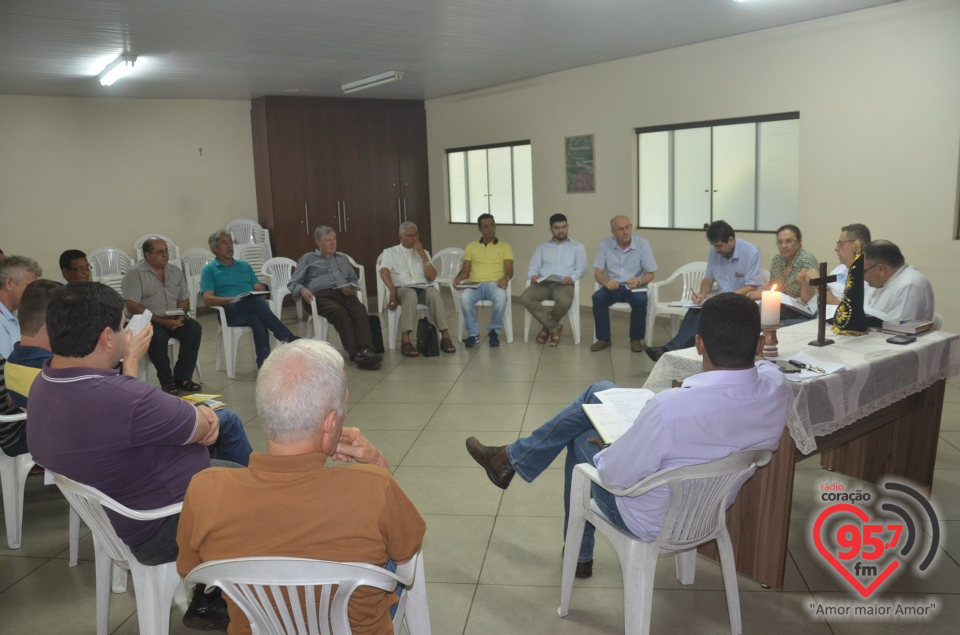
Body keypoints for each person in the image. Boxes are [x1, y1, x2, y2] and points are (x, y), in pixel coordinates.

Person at [466, 293, 792, 578]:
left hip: (649, 518)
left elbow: (613, 474)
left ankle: (577, 551)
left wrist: (618, 443)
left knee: (580, 440)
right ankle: (511, 458)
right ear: (760, 343)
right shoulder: (778, 391)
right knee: (599, 391)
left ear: (699, 343)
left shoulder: (669, 409)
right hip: (708, 509)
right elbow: (763, 369)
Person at [25, 282, 255, 630]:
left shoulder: (45, 382)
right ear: (106, 337)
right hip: (162, 523)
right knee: (258, 485)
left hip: (119, 511)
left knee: (232, 463)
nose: (125, 333)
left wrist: (128, 363)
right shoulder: (124, 399)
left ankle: (211, 590)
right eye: (121, 326)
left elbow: (122, 412)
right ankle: (230, 586)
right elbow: (202, 425)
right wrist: (132, 364)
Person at [177, 339, 426, 635]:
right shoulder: (373, 487)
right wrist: (376, 462)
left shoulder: (204, 490)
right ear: (331, 423)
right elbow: (406, 551)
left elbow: (189, 570)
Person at [646, 220, 761, 362]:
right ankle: (674, 350)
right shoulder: (714, 250)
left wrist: (725, 297)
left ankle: (669, 351)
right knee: (694, 310)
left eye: (719, 246)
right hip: (720, 300)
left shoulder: (751, 252)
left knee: (706, 312)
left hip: (740, 301)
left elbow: (752, 287)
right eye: (714, 246)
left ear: (730, 240)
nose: (717, 250)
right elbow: (708, 279)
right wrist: (701, 295)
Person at [200, 230, 298, 369]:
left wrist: (259, 294)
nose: (229, 246)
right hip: (229, 312)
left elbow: (258, 288)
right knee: (255, 302)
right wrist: (234, 299)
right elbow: (208, 299)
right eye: (224, 243)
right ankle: (287, 337)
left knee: (256, 317)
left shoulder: (244, 265)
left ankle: (264, 365)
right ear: (214, 248)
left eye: (230, 242)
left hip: (251, 307)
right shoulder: (209, 270)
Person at [289, 226, 382, 369]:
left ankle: (365, 349)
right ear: (318, 242)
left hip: (343, 293)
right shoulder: (308, 259)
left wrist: (350, 288)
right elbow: (293, 283)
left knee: (359, 309)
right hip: (319, 296)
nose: (333, 243)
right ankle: (355, 354)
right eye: (328, 241)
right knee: (340, 312)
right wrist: (303, 289)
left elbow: (353, 279)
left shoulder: (343, 258)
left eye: (334, 239)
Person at [122, 237, 203, 395]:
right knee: (157, 336)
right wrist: (161, 321)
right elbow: (132, 306)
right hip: (149, 320)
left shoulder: (175, 271)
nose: (165, 255)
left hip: (173, 318)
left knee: (194, 329)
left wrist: (180, 315)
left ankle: (182, 377)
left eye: (166, 251)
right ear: (147, 255)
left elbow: (184, 300)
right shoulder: (135, 274)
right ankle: (167, 381)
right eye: (160, 252)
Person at [379, 222, 456, 356]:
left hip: (422, 287)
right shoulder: (390, 252)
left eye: (416, 235)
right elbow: (383, 271)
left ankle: (445, 336)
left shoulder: (424, 252)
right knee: (410, 294)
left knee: (433, 293)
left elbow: (432, 277)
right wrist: (392, 290)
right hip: (401, 289)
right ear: (400, 237)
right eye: (410, 236)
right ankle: (405, 340)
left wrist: (423, 255)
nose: (414, 239)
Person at [590, 215, 657, 352]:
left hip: (634, 287)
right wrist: (606, 282)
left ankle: (636, 339)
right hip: (613, 287)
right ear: (613, 232)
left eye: (628, 227)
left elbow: (650, 274)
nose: (625, 232)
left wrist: (639, 281)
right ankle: (604, 339)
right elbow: (598, 273)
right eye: (620, 229)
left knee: (640, 300)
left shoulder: (642, 244)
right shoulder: (605, 244)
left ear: (631, 227)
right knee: (598, 298)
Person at [520, 214, 587, 347]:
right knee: (526, 297)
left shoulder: (577, 246)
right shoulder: (542, 247)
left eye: (563, 227)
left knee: (565, 301)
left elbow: (581, 268)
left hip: (564, 284)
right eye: (557, 228)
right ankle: (554, 327)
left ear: (567, 227)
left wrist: (571, 278)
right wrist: (533, 275)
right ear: (551, 229)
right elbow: (534, 266)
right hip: (543, 283)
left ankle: (546, 329)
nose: (560, 230)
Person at [453, 214, 514, 347]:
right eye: (486, 226)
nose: (490, 229)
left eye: (492, 225)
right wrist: (458, 278)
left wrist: (506, 277)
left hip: (495, 283)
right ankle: (473, 335)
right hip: (475, 284)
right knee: (464, 298)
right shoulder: (471, 246)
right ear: (479, 229)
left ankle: (493, 331)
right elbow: (465, 271)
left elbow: (509, 269)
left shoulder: (505, 246)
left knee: (501, 298)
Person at [746, 224, 819, 322]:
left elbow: (815, 294)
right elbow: (772, 287)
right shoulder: (778, 259)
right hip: (782, 306)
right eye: (780, 242)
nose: (784, 246)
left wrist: (787, 302)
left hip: (803, 310)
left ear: (799, 243)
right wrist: (752, 295)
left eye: (789, 241)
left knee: (764, 313)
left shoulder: (806, 260)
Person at [798, 223, 871, 306]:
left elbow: (849, 313)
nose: (836, 248)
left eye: (841, 244)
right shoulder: (840, 269)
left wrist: (820, 283)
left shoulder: (866, 277)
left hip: (831, 318)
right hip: (814, 314)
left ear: (856, 245)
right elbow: (808, 300)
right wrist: (806, 281)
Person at [862, 240, 935, 322]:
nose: (862, 276)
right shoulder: (879, 281)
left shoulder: (910, 286)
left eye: (864, 271)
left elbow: (898, 329)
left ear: (881, 269)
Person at [0, 256, 42, 358]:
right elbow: (6, 367)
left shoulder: (12, 314)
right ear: (9, 283)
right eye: (30, 286)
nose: (34, 293)